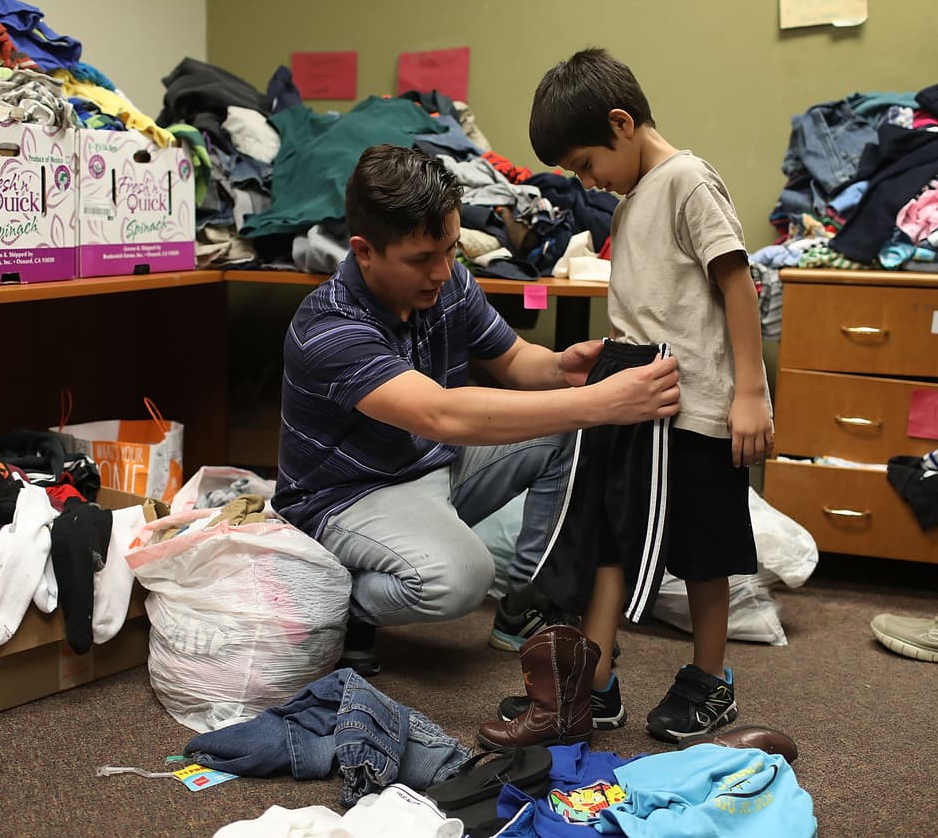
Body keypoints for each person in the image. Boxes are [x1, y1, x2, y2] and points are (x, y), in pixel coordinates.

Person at [272, 143, 682, 675]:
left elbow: (514, 360)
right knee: (461, 578)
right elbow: (441, 414)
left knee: (570, 430)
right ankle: (339, 601)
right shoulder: (329, 327)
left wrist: (562, 368)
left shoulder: (448, 282)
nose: (443, 271)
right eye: (422, 259)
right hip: (345, 498)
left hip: (429, 463)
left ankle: (526, 603)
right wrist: (600, 401)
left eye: (450, 250)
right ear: (365, 251)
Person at [507, 48, 774, 742]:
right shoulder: (630, 205)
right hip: (635, 398)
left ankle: (709, 679)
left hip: (698, 408)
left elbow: (737, 284)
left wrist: (750, 391)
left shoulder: (687, 180)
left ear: (621, 124)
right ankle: (595, 682)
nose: (587, 181)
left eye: (586, 163)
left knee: (705, 550)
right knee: (608, 539)